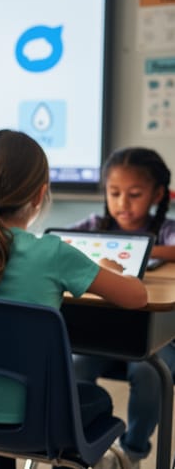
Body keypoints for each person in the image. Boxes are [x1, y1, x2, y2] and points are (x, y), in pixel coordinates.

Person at [0, 129, 148, 469]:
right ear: (40, 194)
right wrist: (105, 268)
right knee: (98, 399)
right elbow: (137, 297)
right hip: (42, 425)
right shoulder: (54, 254)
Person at [69, 147, 174, 468]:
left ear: (157, 194)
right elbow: (63, 242)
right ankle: (84, 444)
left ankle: (132, 452)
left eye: (135, 194)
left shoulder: (165, 229)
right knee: (76, 365)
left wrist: (138, 248)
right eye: (115, 193)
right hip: (102, 334)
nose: (123, 204)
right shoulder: (96, 223)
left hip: (155, 339)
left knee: (150, 373)